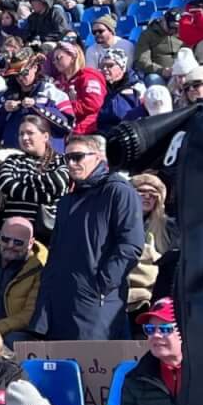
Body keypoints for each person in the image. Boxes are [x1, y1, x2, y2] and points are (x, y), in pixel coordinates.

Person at [33, 134, 145, 340]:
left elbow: (131, 244)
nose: (72, 164)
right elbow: (56, 252)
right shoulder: (66, 201)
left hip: (98, 301)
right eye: (67, 159)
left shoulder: (118, 190)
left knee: (96, 367)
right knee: (63, 366)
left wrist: (102, 285)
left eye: (78, 157)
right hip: (61, 300)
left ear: (98, 157)